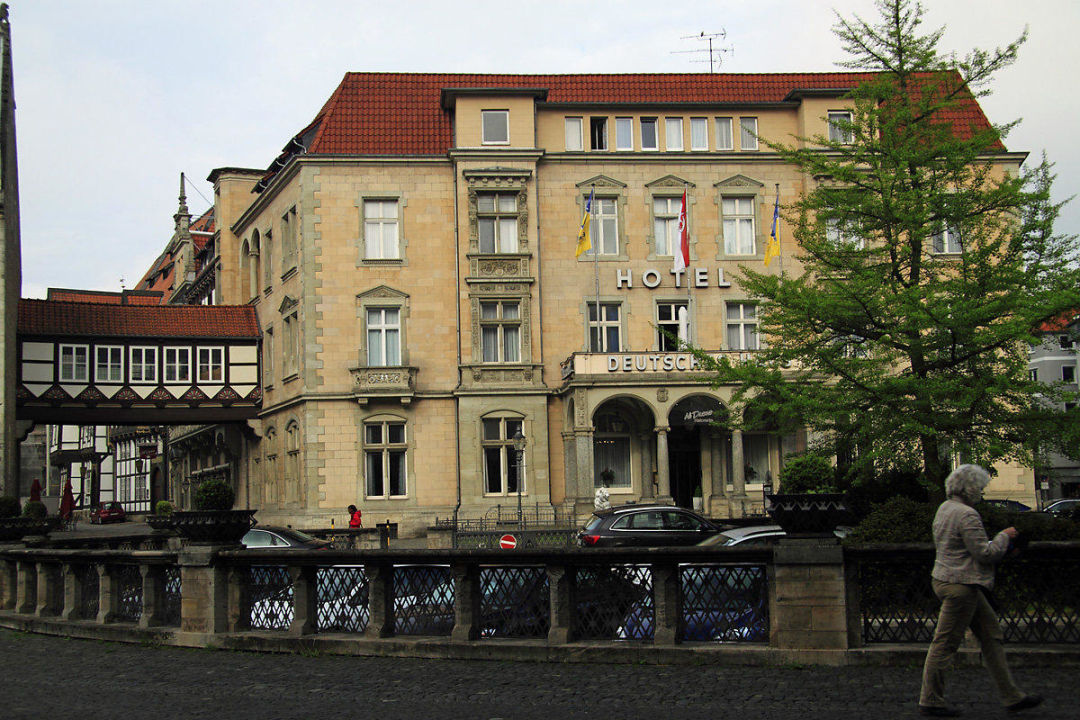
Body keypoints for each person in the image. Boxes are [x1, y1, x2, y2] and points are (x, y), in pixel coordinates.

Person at [918, 464, 1043, 717]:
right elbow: (985, 554)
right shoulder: (967, 514)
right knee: (944, 644)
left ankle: (1012, 696)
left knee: (991, 636)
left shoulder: (945, 508)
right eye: (981, 488)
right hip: (962, 586)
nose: (982, 493)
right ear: (971, 488)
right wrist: (1004, 536)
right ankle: (930, 700)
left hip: (946, 579)